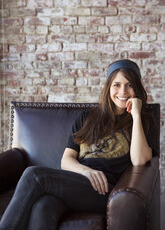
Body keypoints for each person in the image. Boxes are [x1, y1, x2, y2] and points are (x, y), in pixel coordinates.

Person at [0, 59, 154, 230]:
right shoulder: (86, 118)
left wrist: (137, 115)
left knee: (34, 175)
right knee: (44, 206)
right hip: (76, 183)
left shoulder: (144, 120)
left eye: (129, 85)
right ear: (108, 88)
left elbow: (139, 160)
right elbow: (66, 160)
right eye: (116, 85)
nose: (123, 91)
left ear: (137, 88)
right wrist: (86, 171)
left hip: (103, 190)